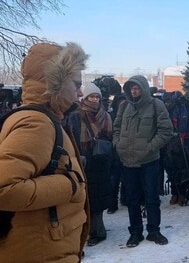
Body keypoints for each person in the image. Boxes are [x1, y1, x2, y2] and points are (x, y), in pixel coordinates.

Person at [0, 42, 89, 262]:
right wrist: (70, 184)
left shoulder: (48, 120)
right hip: (38, 252)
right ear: (56, 82)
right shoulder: (37, 123)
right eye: (76, 84)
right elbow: (4, 188)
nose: (80, 92)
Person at [113, 75, 173, 248]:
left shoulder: (156, 105)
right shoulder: (124, 106)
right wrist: (118, 145)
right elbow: (116, 128)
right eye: (132, 88)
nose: (134, 91)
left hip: (149, 161)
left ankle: (153, 231)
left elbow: (166, 131)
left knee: (152, 198)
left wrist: (149, 147)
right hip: (128, 160)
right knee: (132, 198)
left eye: (137, 88)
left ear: (144, 89)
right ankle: (135, 232)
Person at [78, 83, 113, 247]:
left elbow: (110, 135)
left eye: (97, 97)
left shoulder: (105, 115)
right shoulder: (77, 115)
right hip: (84, 159)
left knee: (97, 198)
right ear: (85, 98)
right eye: (91, 96)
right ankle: (92, 230)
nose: (95, 99)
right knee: (87, 197)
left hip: (101, 160)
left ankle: (97, 231)